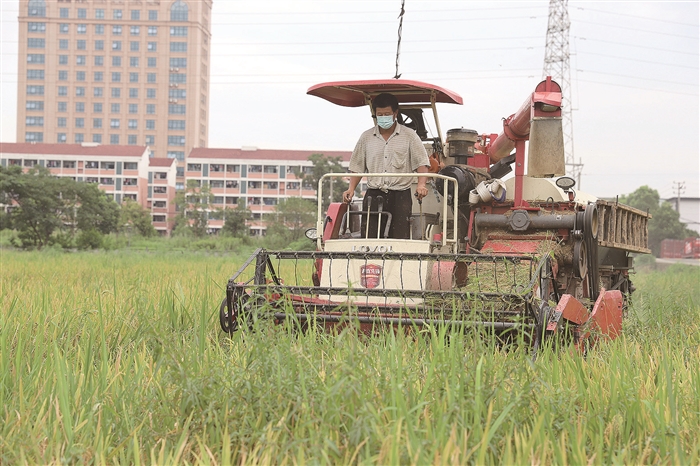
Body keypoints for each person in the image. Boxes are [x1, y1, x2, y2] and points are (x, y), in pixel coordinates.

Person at [342, 93, 430, 239]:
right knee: (370, 237)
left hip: (400, 195)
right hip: (374, 194)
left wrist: (421, 185)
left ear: (395, 113)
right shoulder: (366, 137)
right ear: (375, 115)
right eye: (380, 115)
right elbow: (357, 166)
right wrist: (351, 189)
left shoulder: (410, 136)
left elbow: (422, 162)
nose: (383, 118)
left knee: (399, 238)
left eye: (387, 114)